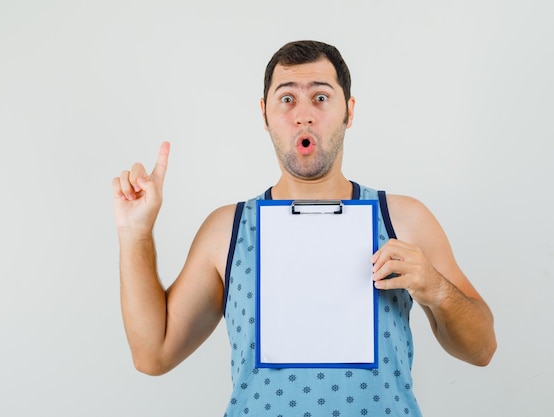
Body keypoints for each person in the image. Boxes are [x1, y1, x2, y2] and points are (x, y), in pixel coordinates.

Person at [111, 40, 496, 416]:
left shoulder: (405, 220)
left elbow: (482, 350)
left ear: (349, 111)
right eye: (287, 99)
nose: (304, 115)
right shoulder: (226, 230)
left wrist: (437, 289)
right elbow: (153, 354)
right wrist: (135, 233)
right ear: (264, 114)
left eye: (322, 98)